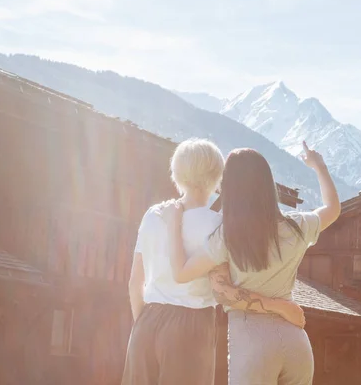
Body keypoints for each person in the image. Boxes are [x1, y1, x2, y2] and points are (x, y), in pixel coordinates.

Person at [122, 138, 306, 385]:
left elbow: (135, 283)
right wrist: (281, 307)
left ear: (177, 172)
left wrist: (142, 327)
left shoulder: (153, 215)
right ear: (217, 176)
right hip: (191, 326)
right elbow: (228, 288)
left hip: (146, 320)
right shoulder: (219, 225)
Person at [162, 141, 341, 385]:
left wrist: (173, 224)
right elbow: (332, 208)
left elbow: (181, 273)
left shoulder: (227, 235)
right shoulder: (296, 226)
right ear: (268, 185)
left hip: (251, 344)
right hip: (297, 342)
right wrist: (318, 166)